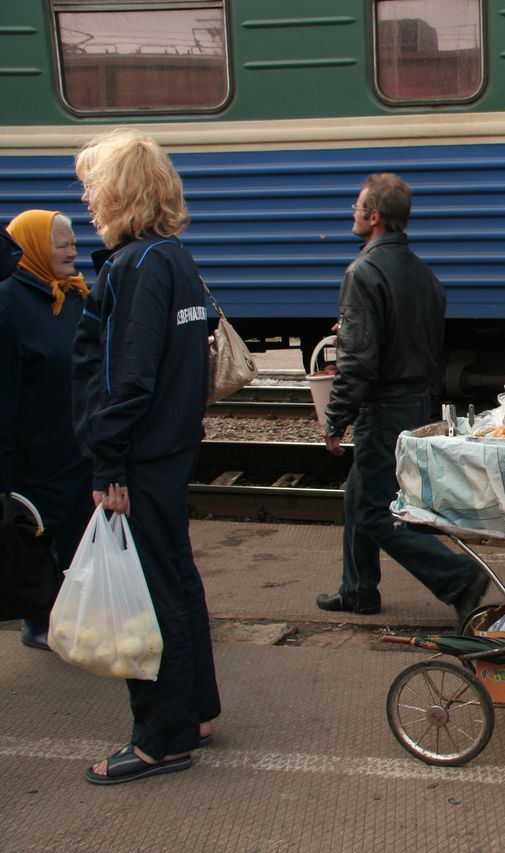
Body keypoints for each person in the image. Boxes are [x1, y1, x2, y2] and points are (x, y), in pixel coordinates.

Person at [71, 128, 220, 784]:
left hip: (139, 457)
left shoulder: (133, 268)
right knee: (177, 580)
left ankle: (162, 737)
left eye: (91, 184)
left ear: (117, 191)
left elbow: (127, 377)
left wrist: (107, 464)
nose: (86, 197)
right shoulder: (175, 258)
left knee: (147, 598)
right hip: (171, 447)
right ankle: (197, 710)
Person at [316, 173, 489, 627]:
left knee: (375, 511)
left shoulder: (363, 272)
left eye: (356, 209)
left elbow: (357, 359)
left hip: (384, 405)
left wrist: (336, 418)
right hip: (416, 400)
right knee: (360, 494)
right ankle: (357, 589)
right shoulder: (421, 271)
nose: (352, 215)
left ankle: (460, 578)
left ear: (373, 217)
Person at [0, 210, 94, 650]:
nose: (72, 250)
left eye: (73, 241)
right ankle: (39, 621)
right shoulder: (9, 300)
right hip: (35, 448)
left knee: (77, 530)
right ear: (35, 247)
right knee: (41, 537)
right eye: (60, 243)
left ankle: (72, 613)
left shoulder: (73, 295)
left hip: (74, 440)